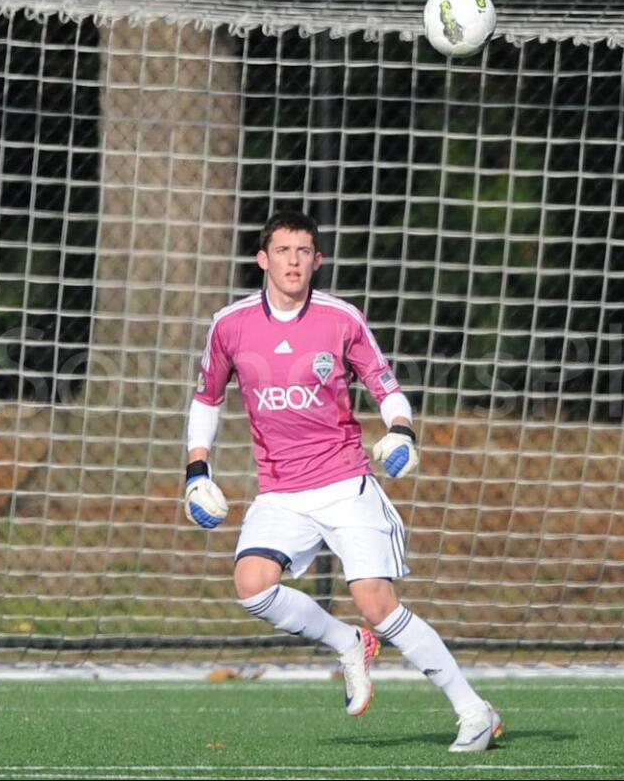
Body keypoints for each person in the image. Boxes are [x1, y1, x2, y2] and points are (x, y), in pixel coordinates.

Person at [182, 210, 501, 752]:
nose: (293, 262)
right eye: (283, 251)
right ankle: (347, 642)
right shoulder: (230, 325)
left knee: (376, 602)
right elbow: (206, 398)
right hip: (281, 490)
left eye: (304, 252)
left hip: (344, 481)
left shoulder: (341, 319)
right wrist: (196, 471)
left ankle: (475, 712)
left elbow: (387, 386)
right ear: (263, 260)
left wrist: (401, 430)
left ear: (317, 261)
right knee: (251, 585)